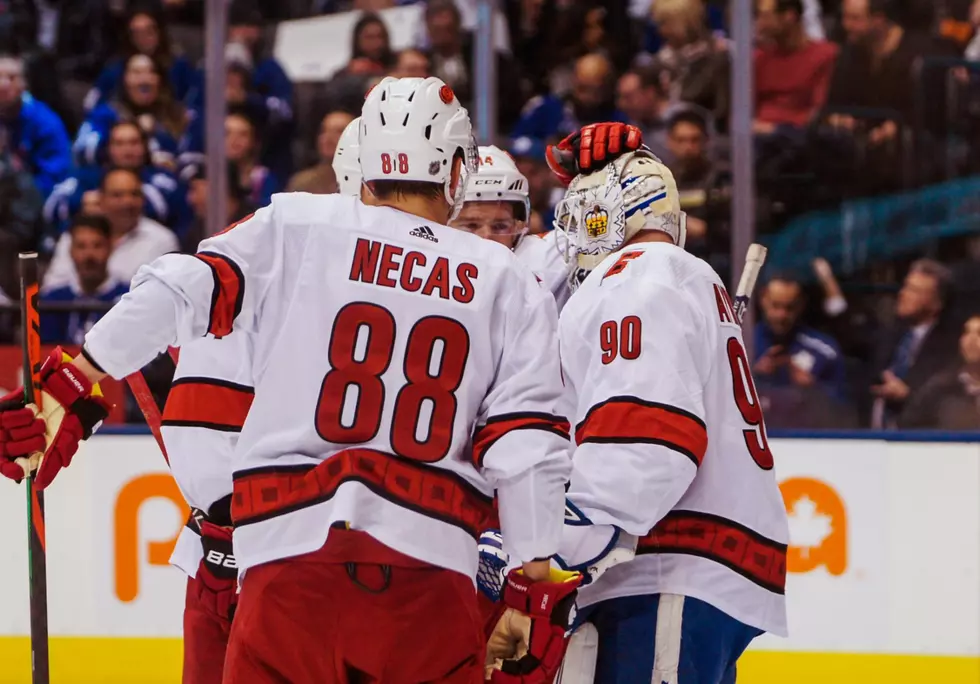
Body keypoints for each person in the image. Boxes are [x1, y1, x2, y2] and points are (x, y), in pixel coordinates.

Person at [0, 77, 581, 684]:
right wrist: (532, 577)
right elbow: (528, 445)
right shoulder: (510, 279)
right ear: (457, 169)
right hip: (430, 580)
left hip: (288, 568)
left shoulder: (299, 225)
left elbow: (181, 286)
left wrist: (81, 372)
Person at [549, 133, 788, 682]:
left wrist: (556, 544)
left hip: (663, 564)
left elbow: (647, 442)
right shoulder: (675, 277)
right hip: (694, 571)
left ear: (609, 213)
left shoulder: (638, 276)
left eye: (583, 214)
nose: (574, 234)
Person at [451, 145, 570, 310]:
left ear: (520, 224)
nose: (486, 237)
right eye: (471, 225)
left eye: (500, 226)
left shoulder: (542, 258)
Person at [43, 167, 179, 290]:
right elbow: (53, 287)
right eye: (117, 195)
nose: (127, 202)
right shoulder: (75, 235)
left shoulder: (162, 239)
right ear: (101, 199)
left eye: (134, 194)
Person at [45, 120, 183, 234]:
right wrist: (79, 202)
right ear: (109, 149)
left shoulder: (161, 178)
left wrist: (106, 204)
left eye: (134, 143)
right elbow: (50, 208)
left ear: (145, 147)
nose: (127, 150)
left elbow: (161, 209)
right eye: (119, 143)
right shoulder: (87, 177)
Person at [870, 259, 960, 429]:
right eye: (905, 286)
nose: (903, 294)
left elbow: (945, 400)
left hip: (918, 437)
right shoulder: (889, 333)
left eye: (915, 291)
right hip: (869, 435)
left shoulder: (950, 347)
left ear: (937, 304)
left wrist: (908, 395)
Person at [39, 214, 129, 345]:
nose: (89, 255)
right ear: (70, 251)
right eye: (81, 246)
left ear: (110, 248)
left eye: (97, 246)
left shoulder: (128, 298)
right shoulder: (51, 300)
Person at [0, 51, 72, 197]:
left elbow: (53, 179)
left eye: (12, 78)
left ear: (24, 83)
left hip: (27, 202)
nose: (3, 85)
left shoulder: (45, 123)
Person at [900, 313, 980, 430]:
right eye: (966, 332)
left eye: (979, 333)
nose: (970, 340)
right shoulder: (939, 387)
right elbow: (908, 428)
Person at [286, 110, 355, 194]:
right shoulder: (302, 184)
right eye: (324, 131)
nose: (328, 138)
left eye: (339, 131)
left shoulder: (368, 183)